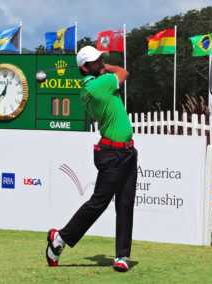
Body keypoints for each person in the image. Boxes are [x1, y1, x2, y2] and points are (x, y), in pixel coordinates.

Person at [46, 46, 138, 272]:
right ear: (86, 67)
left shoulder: (91, 86)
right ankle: (60, 238)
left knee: (125, 204)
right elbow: (124, 72)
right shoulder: (100, 84)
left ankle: (122, 256)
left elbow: (114, 74)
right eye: (97, 61)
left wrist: (100, 67)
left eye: (102, 59)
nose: (102, 62)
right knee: (99, 203)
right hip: (114, 153)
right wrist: (106, 69)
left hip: (126, 152)